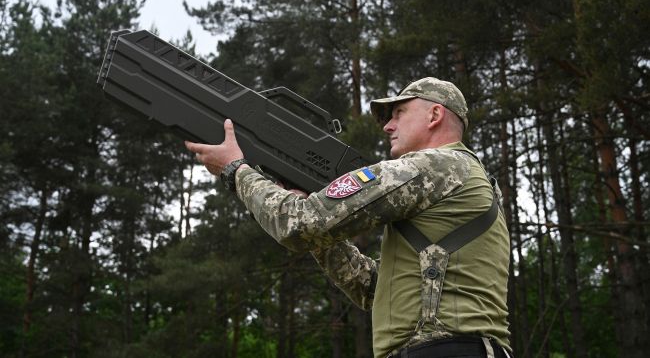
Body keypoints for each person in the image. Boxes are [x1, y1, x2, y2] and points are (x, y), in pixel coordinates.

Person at [185, 77, 511, 358]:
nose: (388, 125)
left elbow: (297, 224)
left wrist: (236, 170)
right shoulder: (467, 178)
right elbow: (371, 289)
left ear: (434, 115)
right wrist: (323, 240)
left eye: (399, 112)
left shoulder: (440, 166)